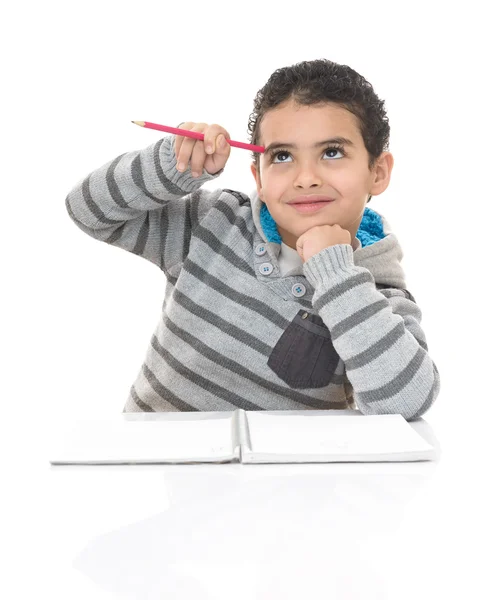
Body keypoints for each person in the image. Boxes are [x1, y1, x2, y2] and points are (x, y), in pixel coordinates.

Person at [65, 58, 440, 420]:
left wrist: (337, 275)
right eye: (281, 156)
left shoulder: (377, 293)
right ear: (258, 176)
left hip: (282, 485)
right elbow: (87, 210)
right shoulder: (214, 224)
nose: (305, 177)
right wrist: (174, 164)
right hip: (157, 473)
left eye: (331, 152)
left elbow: (406, 402)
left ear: (377, 172)